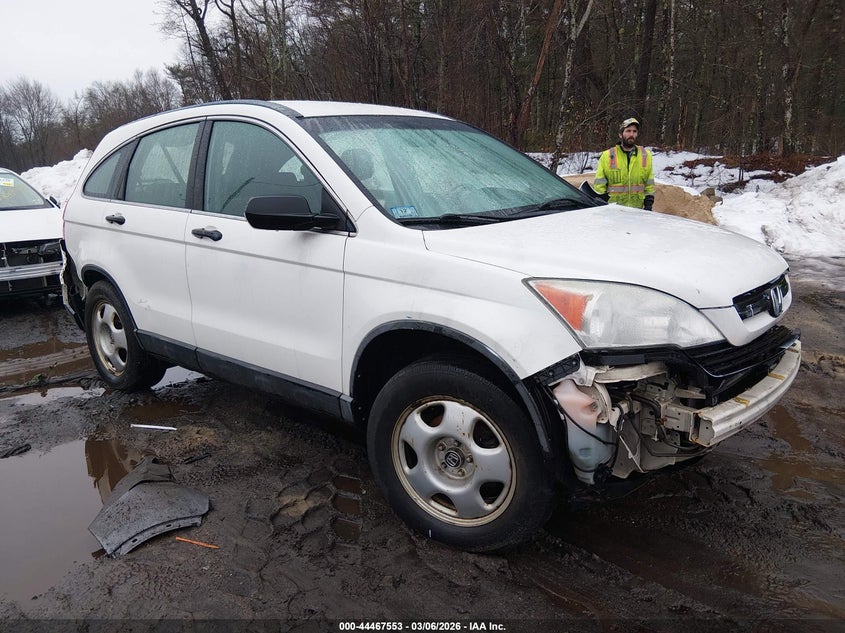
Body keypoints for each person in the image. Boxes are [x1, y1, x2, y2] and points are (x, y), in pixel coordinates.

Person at [593, 117, 655, 210]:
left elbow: (649, 184)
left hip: (637, 211)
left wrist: (648, 205)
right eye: (628, 131)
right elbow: (599, 185)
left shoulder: (645, 155)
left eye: (634, 131)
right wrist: (602, 205)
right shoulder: (607, 155)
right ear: (620, 134)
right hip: (614, 211)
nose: (631, 134)